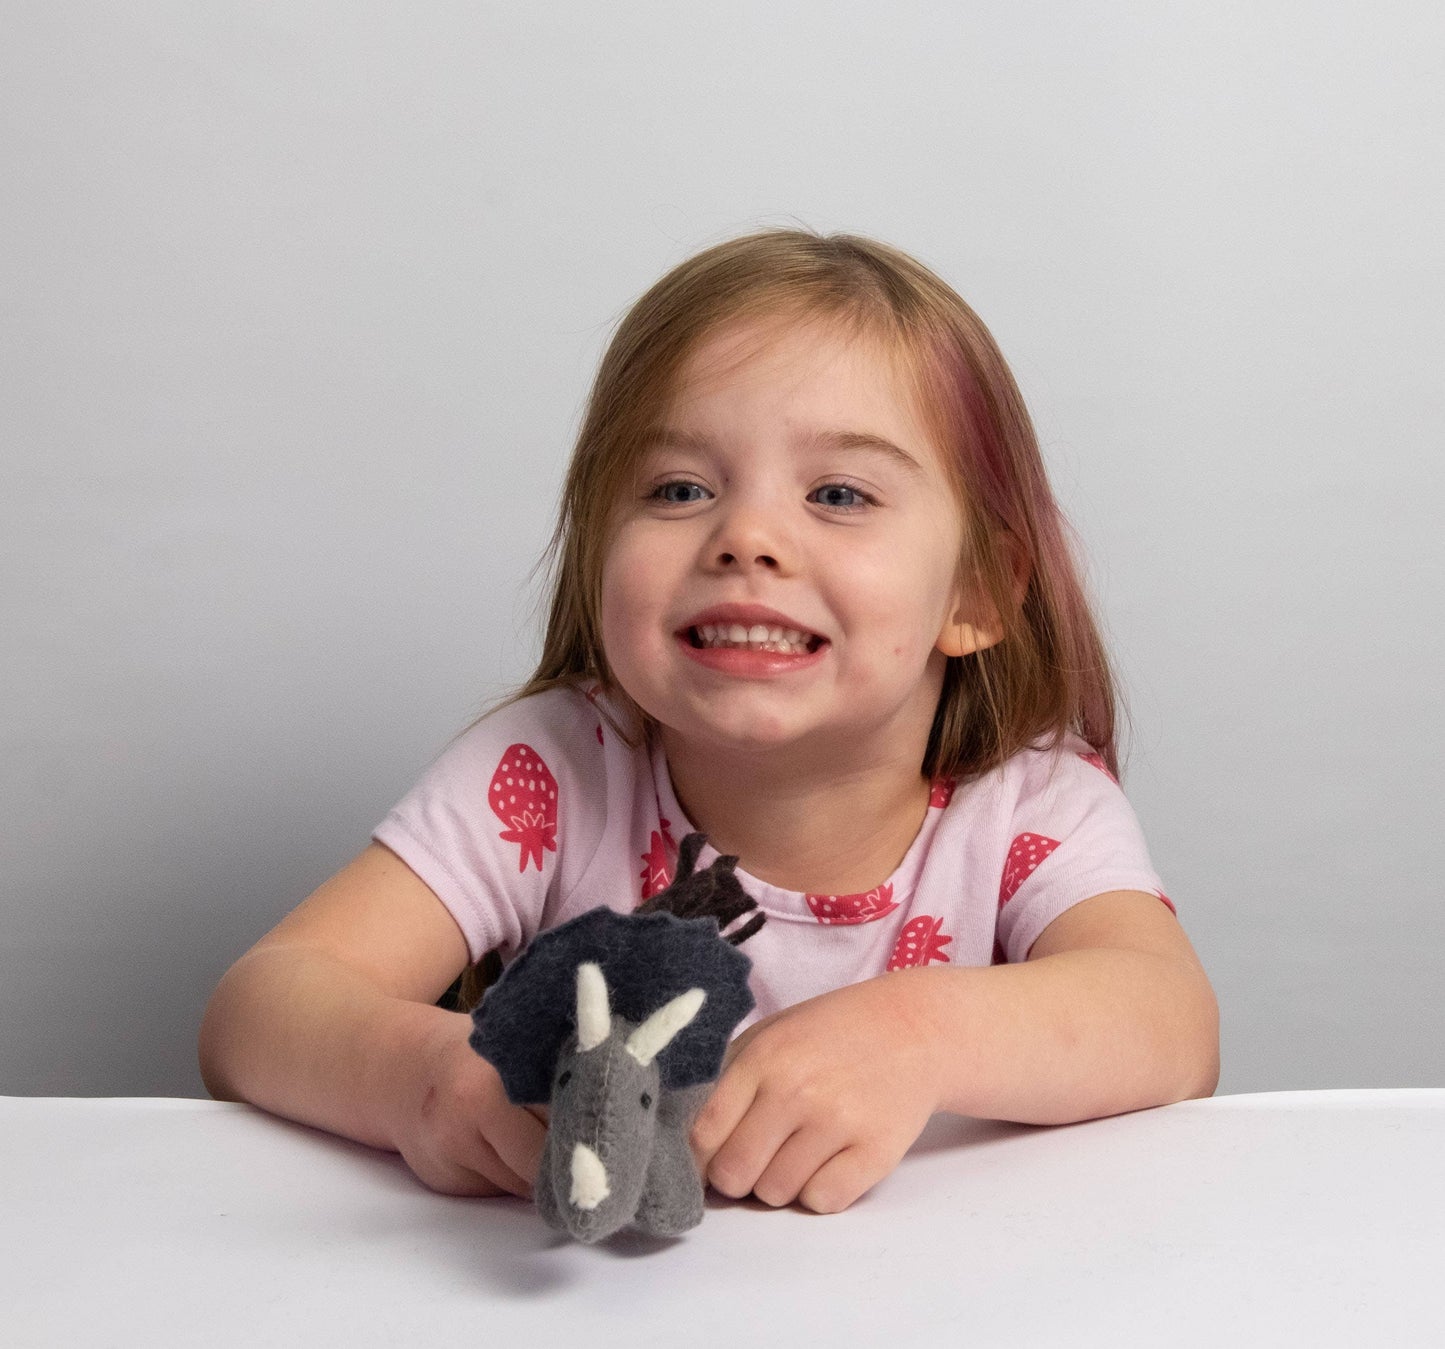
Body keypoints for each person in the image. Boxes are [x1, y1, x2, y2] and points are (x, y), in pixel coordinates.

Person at [198, 229, 1219, 1215]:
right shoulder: (552, 768)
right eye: (679, 487)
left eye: (838, 492)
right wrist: (426, 1077)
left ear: (979, 590)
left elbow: (1171, 1020)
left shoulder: (1031, 802)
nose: (746, 536)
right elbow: (260, 1006)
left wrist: (918, 1031)